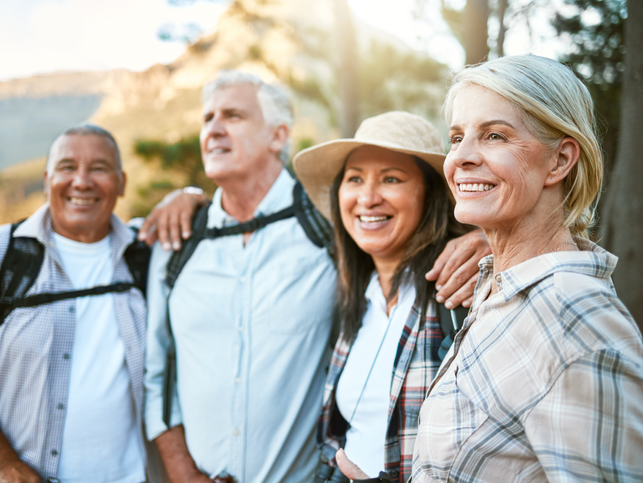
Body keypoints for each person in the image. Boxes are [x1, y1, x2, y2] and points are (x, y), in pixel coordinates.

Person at [142, 71, 490, 483]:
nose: (214, 129)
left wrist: (488, 237)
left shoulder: (452, 284)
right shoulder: (176, 241)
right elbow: (156, 375)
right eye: (207, 118)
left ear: (278, 136)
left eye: (233, 116)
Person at [412, 55, 643, 482]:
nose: (460, 157)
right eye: (457, 137)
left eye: (494, 135)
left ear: (559, 161)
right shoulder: (496, 290)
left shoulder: (577, 321)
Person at [0, 124, 164, 483]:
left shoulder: (150, 255)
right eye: (68, 167)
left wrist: (189, 194)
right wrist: (1, 465)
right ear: (46, 178)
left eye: (98, 168)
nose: (82, 182)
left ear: (122, 182)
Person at [292, 111, 470, 483]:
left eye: (391, 178)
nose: (368, 198)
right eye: (355, 179)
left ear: (431, 193)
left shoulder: (463, 292)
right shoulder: (356, 300)